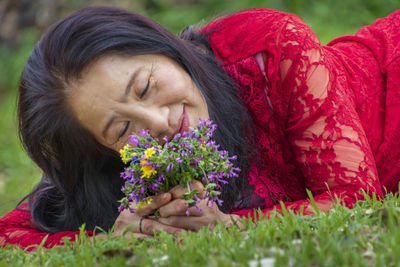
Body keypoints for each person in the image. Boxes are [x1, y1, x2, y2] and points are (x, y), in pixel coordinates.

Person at [1, 6, 399, 251]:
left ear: (164, 49)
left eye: (145, 87)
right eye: (123, 128)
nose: (159, 122)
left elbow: (357, 199)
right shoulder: (125, 171)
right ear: (103, 150)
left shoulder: (272, 46)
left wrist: (234, 226)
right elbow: (8, 235)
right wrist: (109, 239)